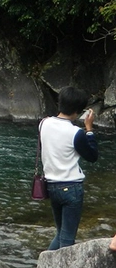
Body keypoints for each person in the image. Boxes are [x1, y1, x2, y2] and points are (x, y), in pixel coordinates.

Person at [40, 86, 98, 251]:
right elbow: (92, 156)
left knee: (60, 235)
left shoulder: (43, 124)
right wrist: (89, 129)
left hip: (51, 186)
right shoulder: (76, 133)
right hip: (72, 188)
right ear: (78, 111)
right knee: (67, 241)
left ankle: (44, 267)